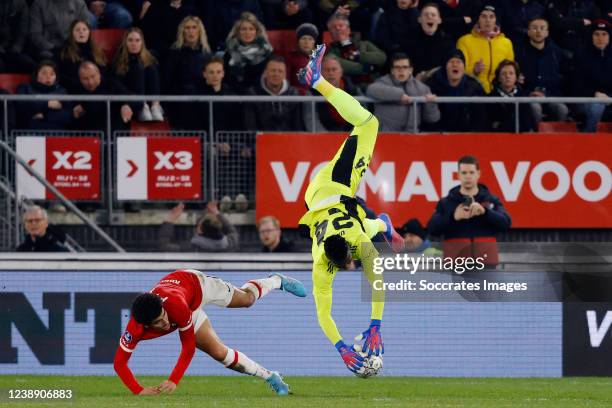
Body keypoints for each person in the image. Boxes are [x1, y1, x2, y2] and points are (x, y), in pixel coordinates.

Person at [297, 44, 404, 374]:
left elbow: (373, 282)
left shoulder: (334, 255)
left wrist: (371, 326)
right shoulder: (325, 257)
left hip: (334, 186)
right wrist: (345, 343)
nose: (349, 266)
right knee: (375, 227)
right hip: (320, 202)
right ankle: (385, 223)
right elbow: (373, 284)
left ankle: (318, 81)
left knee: (369, 123)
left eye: (347, 263)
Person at [114, 268, 307, 395]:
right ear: (146, 325)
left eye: (163, 315)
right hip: (186, 302)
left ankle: (276, 280)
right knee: (219, 354)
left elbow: (188, 347)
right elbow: (119, 363)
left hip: (198, 285)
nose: (165, 322)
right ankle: (271, 376)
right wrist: (138, 390)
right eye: (158, 322)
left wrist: (174, 380)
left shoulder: (175, 308)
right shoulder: (135, 328)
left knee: (247, 300)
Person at [427, 155, 511, 265]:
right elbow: (432, 229)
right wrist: (453, 217)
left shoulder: (491, 199)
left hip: (486, 264)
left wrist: (485, 212)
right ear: (458, 175)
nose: (468, 176)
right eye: (464, 173)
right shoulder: (446, 202)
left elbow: (506, 223)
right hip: (456, 264)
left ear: (478, 174)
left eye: (471, 172)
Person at [515, 17, 570, 124]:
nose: (538, 31)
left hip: (552, 95)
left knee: (562, 109)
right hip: (528, 96)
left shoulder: (557, 53)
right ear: (528, 32)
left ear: (547, 33)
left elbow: (565, 78)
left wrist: (548, 94)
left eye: (542, 28)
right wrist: (529, 93)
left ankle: (559, 139)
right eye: (534, 28)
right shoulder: (519, 52)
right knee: (535, 108)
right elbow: (514, 80)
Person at [366, 53, 440, 132]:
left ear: (410, 70)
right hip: (385, 136)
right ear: (392, 70)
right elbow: (371, 89)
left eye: (405, 67)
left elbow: (432, 119)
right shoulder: (383, 82)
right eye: (397, 67)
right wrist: (399, 95)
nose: (401, 70)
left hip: (411, 137)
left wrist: (431, 104)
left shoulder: (422, 88)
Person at [164, 16, 212, 129]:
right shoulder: (174, 53)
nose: (191, 31)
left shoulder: (207, 55)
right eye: (187, 28)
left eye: (194, 27)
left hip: (202, 100)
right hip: (180, 100)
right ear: (182, 31)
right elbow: (167, 81)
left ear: (200, 30)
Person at [456, 4, 514, 93]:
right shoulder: (464, 41)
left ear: (496, 20)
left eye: (491, 17)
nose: (488, 20)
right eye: (484, 16)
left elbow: (511, 69)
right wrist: (474, 70)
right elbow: (458, 71)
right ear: (478, 20)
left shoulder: (506, 42)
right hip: (474, 92)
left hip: (500, 93)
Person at [425, 49, 487, 132]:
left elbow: (480, 119)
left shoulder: (475, 88)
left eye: (459, 62)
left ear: (464, 67)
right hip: (439, 136)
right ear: (445, 67)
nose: (455, 65)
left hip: (467, 136)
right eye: (451, 61)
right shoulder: (431, 86)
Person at [113, 27, 163, 122]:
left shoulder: (150, 57)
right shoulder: (118, 60)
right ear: (125, 42)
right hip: (131, 97)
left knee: (151, 66)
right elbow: (116, 84)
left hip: (149, 97)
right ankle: (142, 107)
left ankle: (155, 105)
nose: (133, 44)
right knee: (137, 67)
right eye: (130, 40)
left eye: (137, 40)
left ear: (142, 42)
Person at [326, 12, 387, 88]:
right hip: (347, 88)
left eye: (341, 26)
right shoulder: (329, 51)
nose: (338, 29)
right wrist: (368, 68)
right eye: (334, 27)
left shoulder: (365, 44)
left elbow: (382, 58)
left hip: (374, 85)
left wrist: (358, 56)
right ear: (330, 33)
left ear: (348, 29)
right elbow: (339, 66)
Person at [245, 56, 305, 131]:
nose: (276, 74)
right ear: (265, 73)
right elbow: (251, 126)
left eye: (280, 71)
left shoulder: (293, 94)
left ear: (285, 75)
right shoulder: (253, 93)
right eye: (273, 70)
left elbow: (297, 125)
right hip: (262, 140)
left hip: (288, 140)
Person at [573, 19, 612, 132]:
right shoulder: (581, 55)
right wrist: (594, 94)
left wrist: (608, 96)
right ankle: (589, 140)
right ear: (591, 36)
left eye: (604, 34)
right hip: (586, 99)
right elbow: (576, 85)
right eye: (596, 34)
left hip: (609, 98)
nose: (600, 38)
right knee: (597, 106)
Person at [72, 61, 135, 131]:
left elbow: (136, 100)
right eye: (85, 79)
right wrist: (74, 114)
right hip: (89, 136)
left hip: (114, 134)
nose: (90, 82)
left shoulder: (112, 85)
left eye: (93, 76)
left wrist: (127, 105)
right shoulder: (76, 89)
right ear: (80, 79)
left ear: (99, 74)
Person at [306, 55, 362, 132]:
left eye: (334, 69)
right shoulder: (311, 93)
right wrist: (329, 139)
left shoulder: (354, 91)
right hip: (323, 139)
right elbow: (312, 122)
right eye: (327, 70)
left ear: (341, 72)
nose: (331, 73)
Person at [159, 202, 240, 252]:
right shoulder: (230, 244)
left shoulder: (191, 248)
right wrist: (217, 213)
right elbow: (232, 231)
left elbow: (164, 245)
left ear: (200, 230)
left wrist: (169, 220)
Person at [224, 11, 274, 92]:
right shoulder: (230, 52)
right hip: (235, 94)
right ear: (238, 32)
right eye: (243, 29)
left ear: (257, 32)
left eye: (251, 29)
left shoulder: (267, 53)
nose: (247, 33)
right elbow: (226, 79)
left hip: (260, 95)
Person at [16, 61, 72, 130]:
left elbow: (68, 115)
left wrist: (45, 116)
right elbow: (21, 107)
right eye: (44, 73)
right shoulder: (25, 88)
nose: (48, 77)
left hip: (57, 132)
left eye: (52, 74)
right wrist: (47, 104)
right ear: (36, 75)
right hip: (30, 131)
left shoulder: (62, 92)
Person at [57, 19, 108, 94]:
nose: (81, 32)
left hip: (98, 91)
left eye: (84, 29)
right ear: (72, 33)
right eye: (77, 30)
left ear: (89, 32)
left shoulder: (98, 52)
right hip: (73, 92)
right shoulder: (63, 52)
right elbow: (60, 76)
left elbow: (105, 72)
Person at [487, 60, 536, 132]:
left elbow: (527, 124)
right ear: (498, 78)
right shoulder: (489, 98)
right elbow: (490, 126)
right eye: (503, 73)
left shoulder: (524, 97)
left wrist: (501, 124)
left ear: (516, 77)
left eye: (511, 73)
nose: (507, 76)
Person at [0, 0, 36, 73]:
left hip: (13, 48)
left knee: (31, 65)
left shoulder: (20, 3)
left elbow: (23, 30)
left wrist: (17, 47)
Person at [287, 22, 319, 94]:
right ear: (298, 42)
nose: (306, 42)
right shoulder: (291, 58)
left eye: (310, 39)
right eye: (303, 38)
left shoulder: (319, 58)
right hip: (298, 94)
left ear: (314, 42)